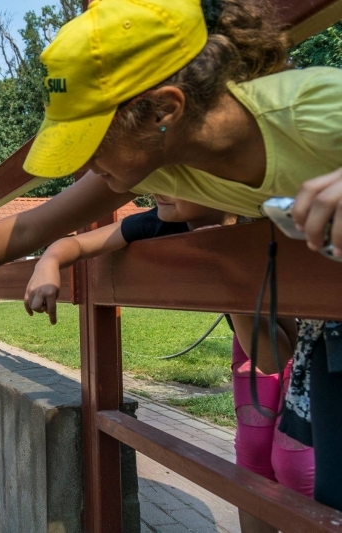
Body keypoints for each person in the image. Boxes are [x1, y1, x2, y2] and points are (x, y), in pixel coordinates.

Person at [0, 0, 342, 511]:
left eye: (90, 141)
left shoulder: (315, 109)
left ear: (164, 109)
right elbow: (30, 227)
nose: (79, 166)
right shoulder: (162, 155)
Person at [23, 196, 313, 533]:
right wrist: (49, 260)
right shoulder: (169, 216)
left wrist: (227, 271)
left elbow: (279, 354)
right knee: (252, 454)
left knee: (296, 463)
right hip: (253, 340)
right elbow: (76, 244)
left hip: (311, 345)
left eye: (174, 176)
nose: (157, 189)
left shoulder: (271, 213)